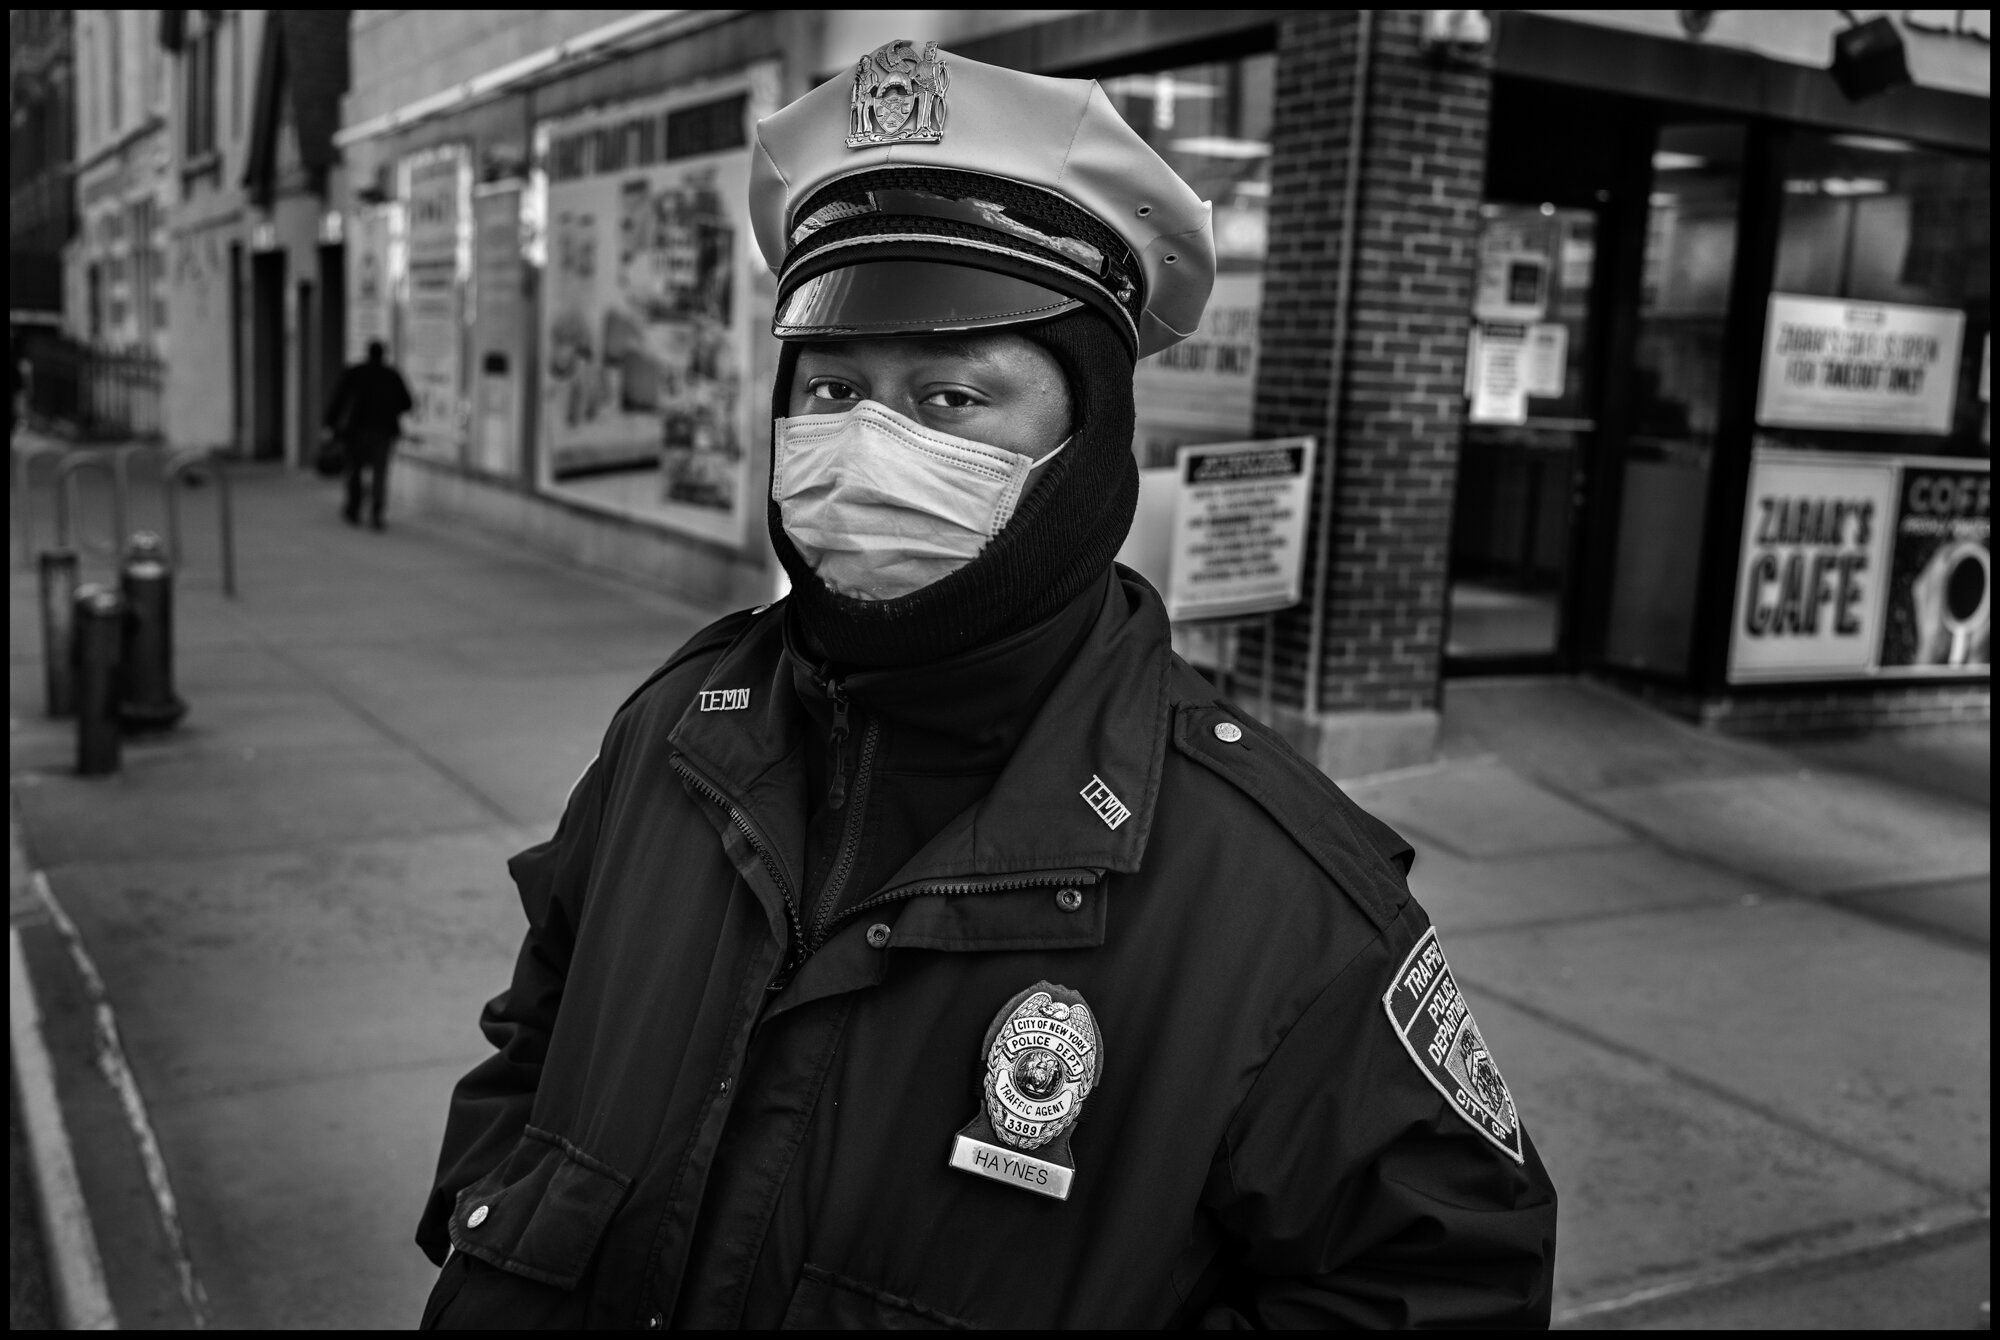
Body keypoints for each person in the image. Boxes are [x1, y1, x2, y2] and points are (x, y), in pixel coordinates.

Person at [415, 40, 1557, 1329]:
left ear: (1087, 441)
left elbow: (1439, 1283)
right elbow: (534, 1043)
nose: (866, 443)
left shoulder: (1273, 888)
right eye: (833, 387)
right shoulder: (678, 730)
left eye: (950, 395)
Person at [323, 340, 413, 530]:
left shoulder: (355, 373)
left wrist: (329, 424)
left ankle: (354, 509)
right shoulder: (391, 375)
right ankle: (377, 514)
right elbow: (407, 403)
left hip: (357, 431)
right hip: (383, 431)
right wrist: (389, 408)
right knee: (380, 472)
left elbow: (339, 399)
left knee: (354, 469)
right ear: (383, 355)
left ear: (368, 353)